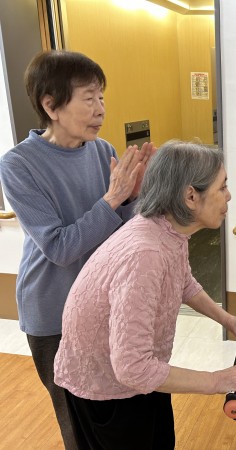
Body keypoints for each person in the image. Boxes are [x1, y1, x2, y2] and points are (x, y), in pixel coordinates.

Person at [53, 140, 236, 449]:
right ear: (191, 196)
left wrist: (228, 319)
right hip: (105, 392)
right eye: (222, 187)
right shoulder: (145, 253)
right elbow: (132, 368)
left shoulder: (167, 230)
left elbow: (183, 282)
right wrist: (216, 380)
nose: (228, 195)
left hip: (139, 378)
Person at [0, 50, 154, 449]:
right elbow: (59, 247)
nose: (100, 109)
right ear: (50, 105)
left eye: (101, 97)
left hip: (102, 303)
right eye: (88, 98)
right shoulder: (18, 165)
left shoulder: (102, 151)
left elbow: (121, 235)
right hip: (54, 313)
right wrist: (112, 199)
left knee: (115, 412)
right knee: (79, 426)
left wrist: (132, 199)